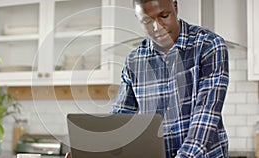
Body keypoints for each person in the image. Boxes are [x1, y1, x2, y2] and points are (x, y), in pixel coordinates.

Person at [66, 0, 229, 157]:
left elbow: (206, 115)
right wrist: (90, 152)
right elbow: (121, 118)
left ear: (175, 7)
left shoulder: (209, 45)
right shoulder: (134, 61)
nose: (157, 27)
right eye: (147, 21)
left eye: (164, 16)